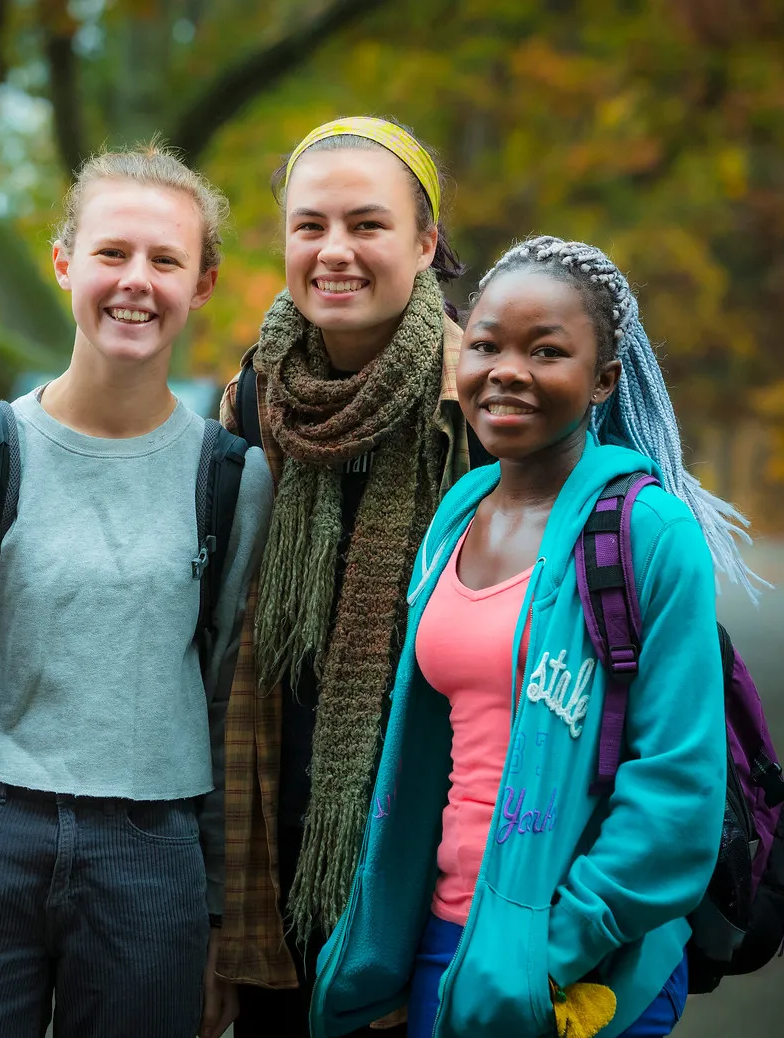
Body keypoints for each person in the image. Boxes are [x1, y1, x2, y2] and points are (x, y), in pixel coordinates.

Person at [0, 144, 274, 1038]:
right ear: (63, 262)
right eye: (112, 253)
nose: (136, 282)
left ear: (202, 284)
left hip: (153, 861)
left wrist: (217, 914)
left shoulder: (233, 479)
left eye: (166, 261)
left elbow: (226, 702)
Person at [312, 236, 759, 1038]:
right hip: (443, 944)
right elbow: (426, 752)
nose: (506, 370)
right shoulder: (458, 512)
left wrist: (550, 951)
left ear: (605, 379)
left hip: (571, 964)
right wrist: (388, 940)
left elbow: (677, 794)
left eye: (546, 350)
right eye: (486, 344)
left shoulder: (648, 532)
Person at [215, 116, 478, 1035]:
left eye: (366, 225)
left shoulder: (483, 406)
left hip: (431, 861)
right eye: (309, 225)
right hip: (272, 851)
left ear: (425, 242)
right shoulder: (254, 396)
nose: (334, 251)